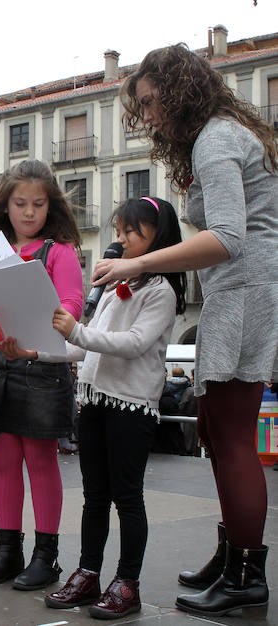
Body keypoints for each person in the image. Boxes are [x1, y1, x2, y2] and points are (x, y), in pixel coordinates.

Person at [95, 44, 278, 617]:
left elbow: (228, 236)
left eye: (151, 102)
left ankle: (247, 572)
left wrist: (141, 262)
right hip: (243, 287)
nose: (147, 116)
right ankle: (233, 556)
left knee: (231, 436)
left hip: (246, 288)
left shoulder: (216, 138)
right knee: (217, 427)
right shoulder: (222, 134)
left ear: (179, 91)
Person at [34, 196, 185, 619]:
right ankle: (88, 573)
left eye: (132, 232)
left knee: (128, 498)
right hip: (95, 401)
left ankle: (128, 582)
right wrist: (34, 350)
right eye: (118, 232)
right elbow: (83, 349)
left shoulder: (161, 291)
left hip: (131, 408)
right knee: (94, 497)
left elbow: (133, 344)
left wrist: (78, 331)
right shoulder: (115, 290)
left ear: (160, 238)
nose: (120, 241)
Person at [0, 159, 83, 591]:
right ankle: (7, 551)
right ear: (5, 205)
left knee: (41, 461)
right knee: (4, 462)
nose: (30, 212)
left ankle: (46, 556)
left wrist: (38, 340)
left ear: (51, 206)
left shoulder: (61, 251)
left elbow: (71, 303)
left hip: (41, 367)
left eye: (38, 204)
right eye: (20, 204)